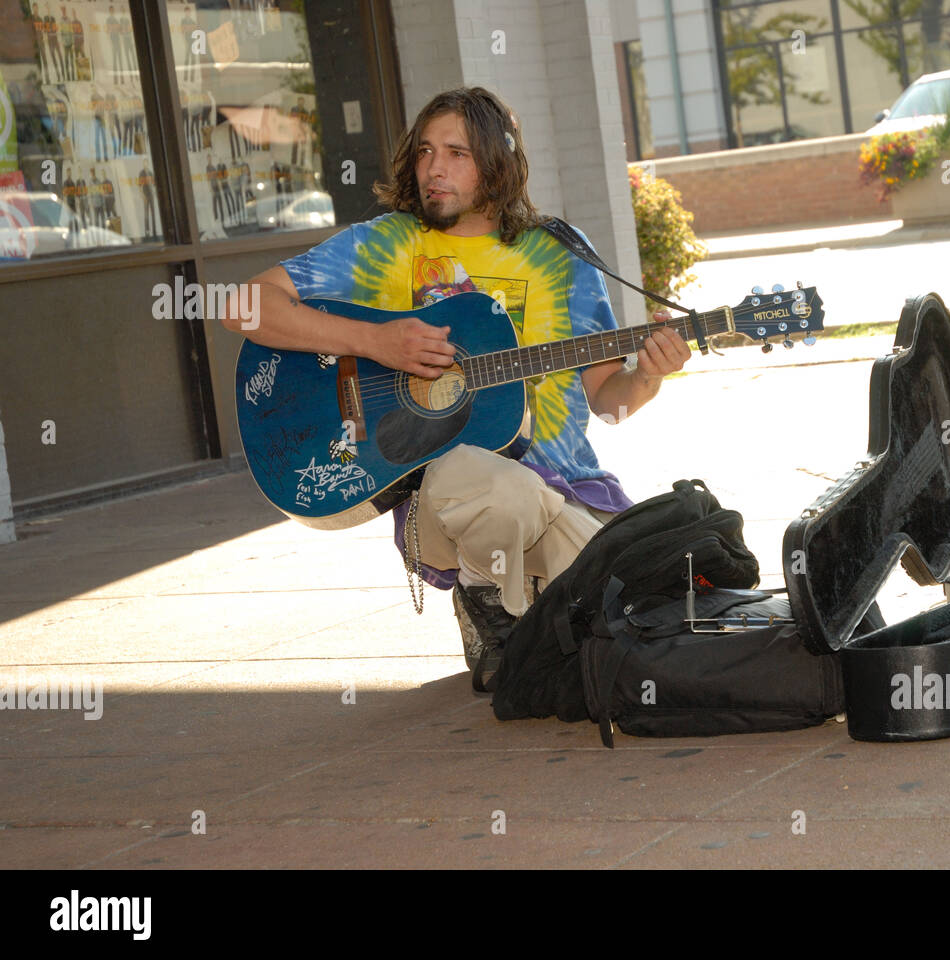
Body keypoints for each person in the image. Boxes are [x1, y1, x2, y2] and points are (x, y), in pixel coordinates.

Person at [221, 86, 690, 691]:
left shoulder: (560, 255)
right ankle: (483, 597)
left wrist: (649, 373)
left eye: (457, 153)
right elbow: (244, 305)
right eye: (424, 151)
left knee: (654, 607)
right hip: (448, 503)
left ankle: (534, 603)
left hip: (568, 491)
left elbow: (609, 399)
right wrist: (375, 342)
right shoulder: (386, 245)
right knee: (501, 488)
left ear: (498, 164)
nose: (434, 168)